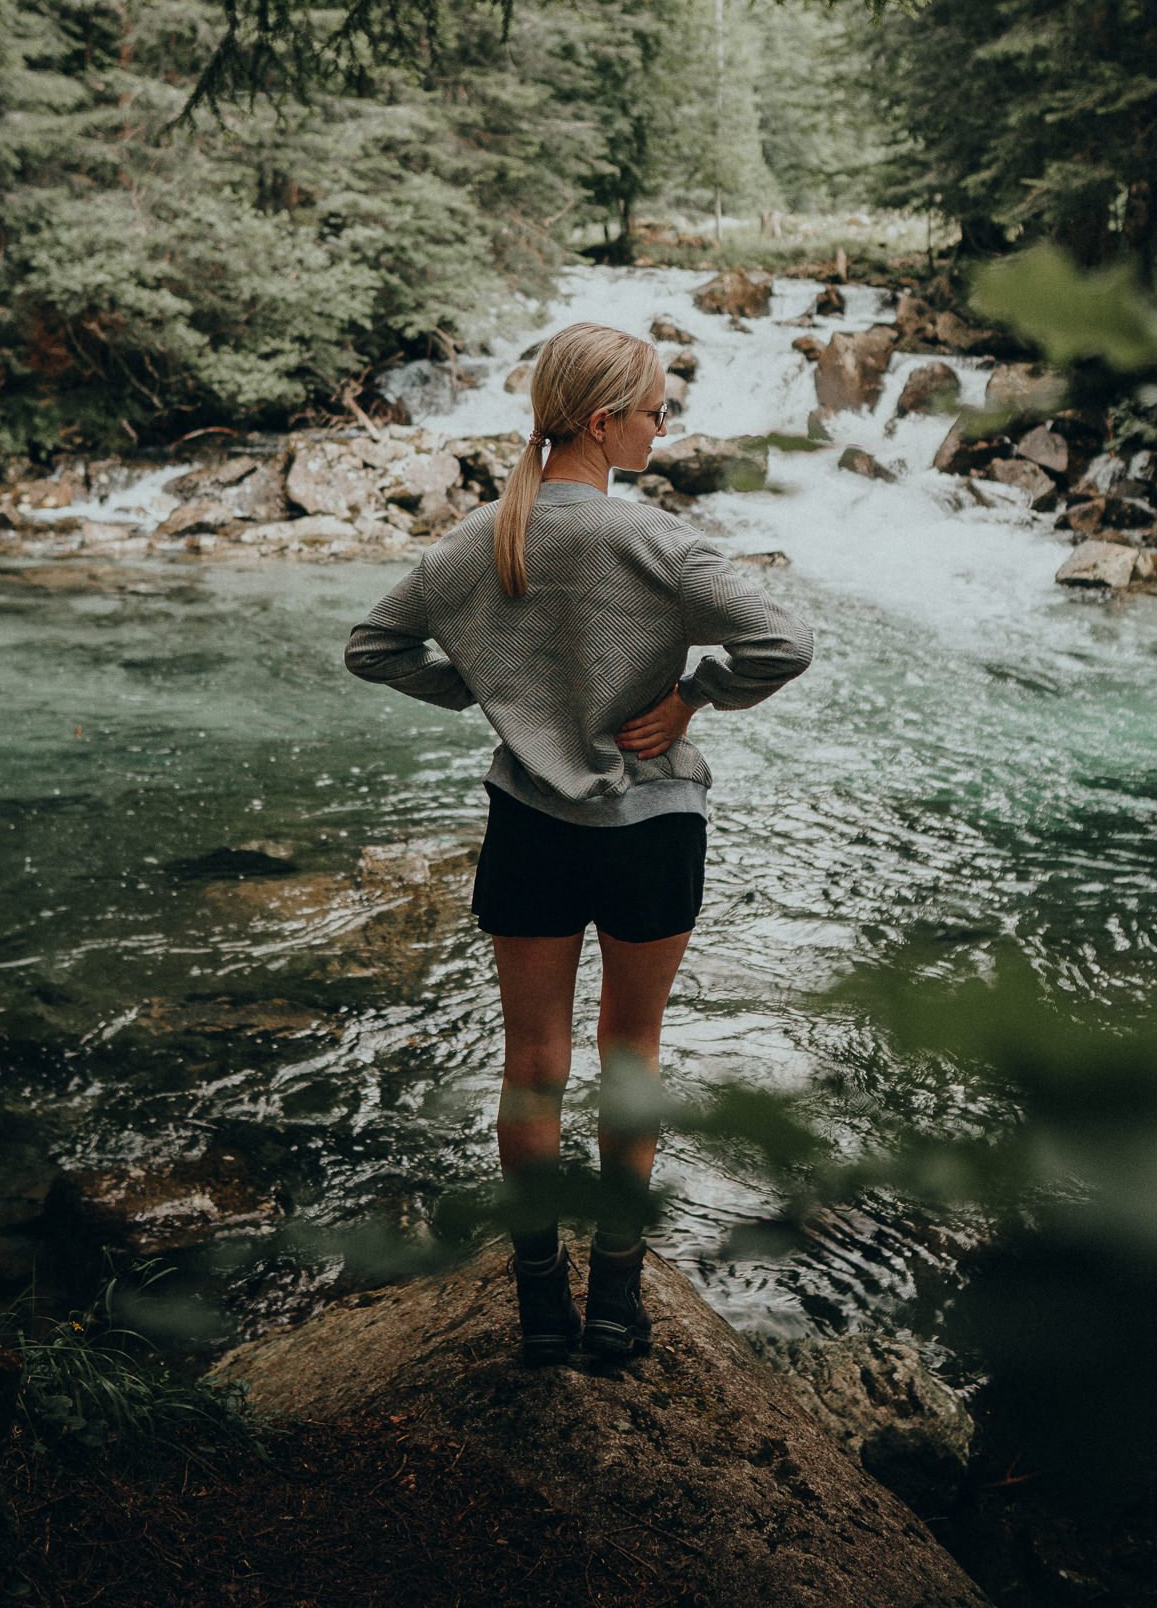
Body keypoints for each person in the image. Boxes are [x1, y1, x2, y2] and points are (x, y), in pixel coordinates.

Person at [344, 320, 812, 1364]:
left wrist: (486, 689)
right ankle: (614, 1302)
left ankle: (541, 1307)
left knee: (533, 1067)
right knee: (631, 1059)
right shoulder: (654, 539)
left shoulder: (477, 539)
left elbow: (371, 646)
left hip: (530, 830)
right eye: (656, 410)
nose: (666, 426)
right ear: (605, 422)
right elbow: (786, 640)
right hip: (649, 831)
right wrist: (694, 697)